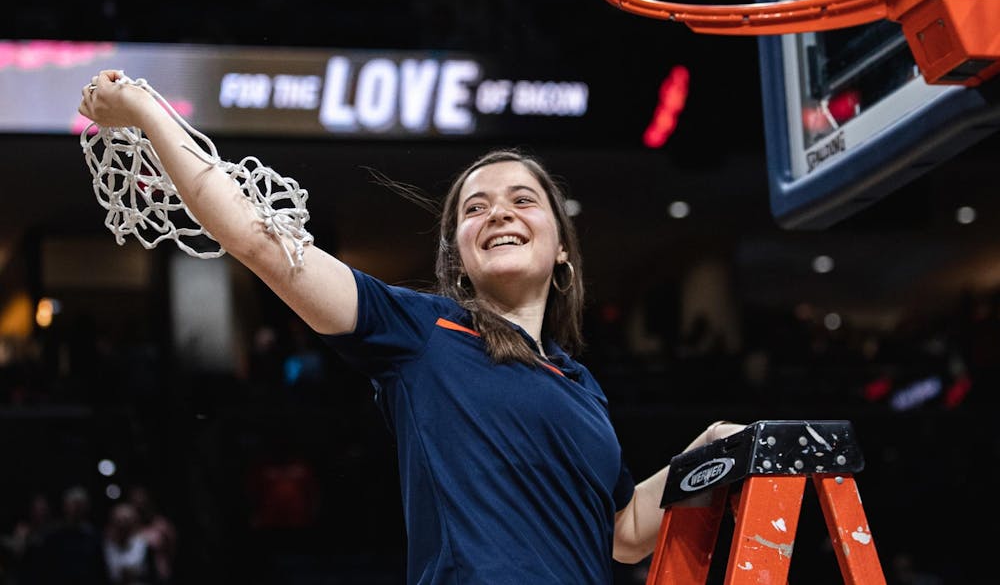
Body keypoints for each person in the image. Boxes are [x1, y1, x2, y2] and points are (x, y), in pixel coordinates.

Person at [78, 69, 743, 584]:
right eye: (475, 208)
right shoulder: (420, 332)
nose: (499, 213)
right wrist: (145, 110)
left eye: (523, 200)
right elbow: (258, 239)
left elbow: (622, 532)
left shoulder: (583, 387)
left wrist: (708, 452)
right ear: (459, 258)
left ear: (563, 248)